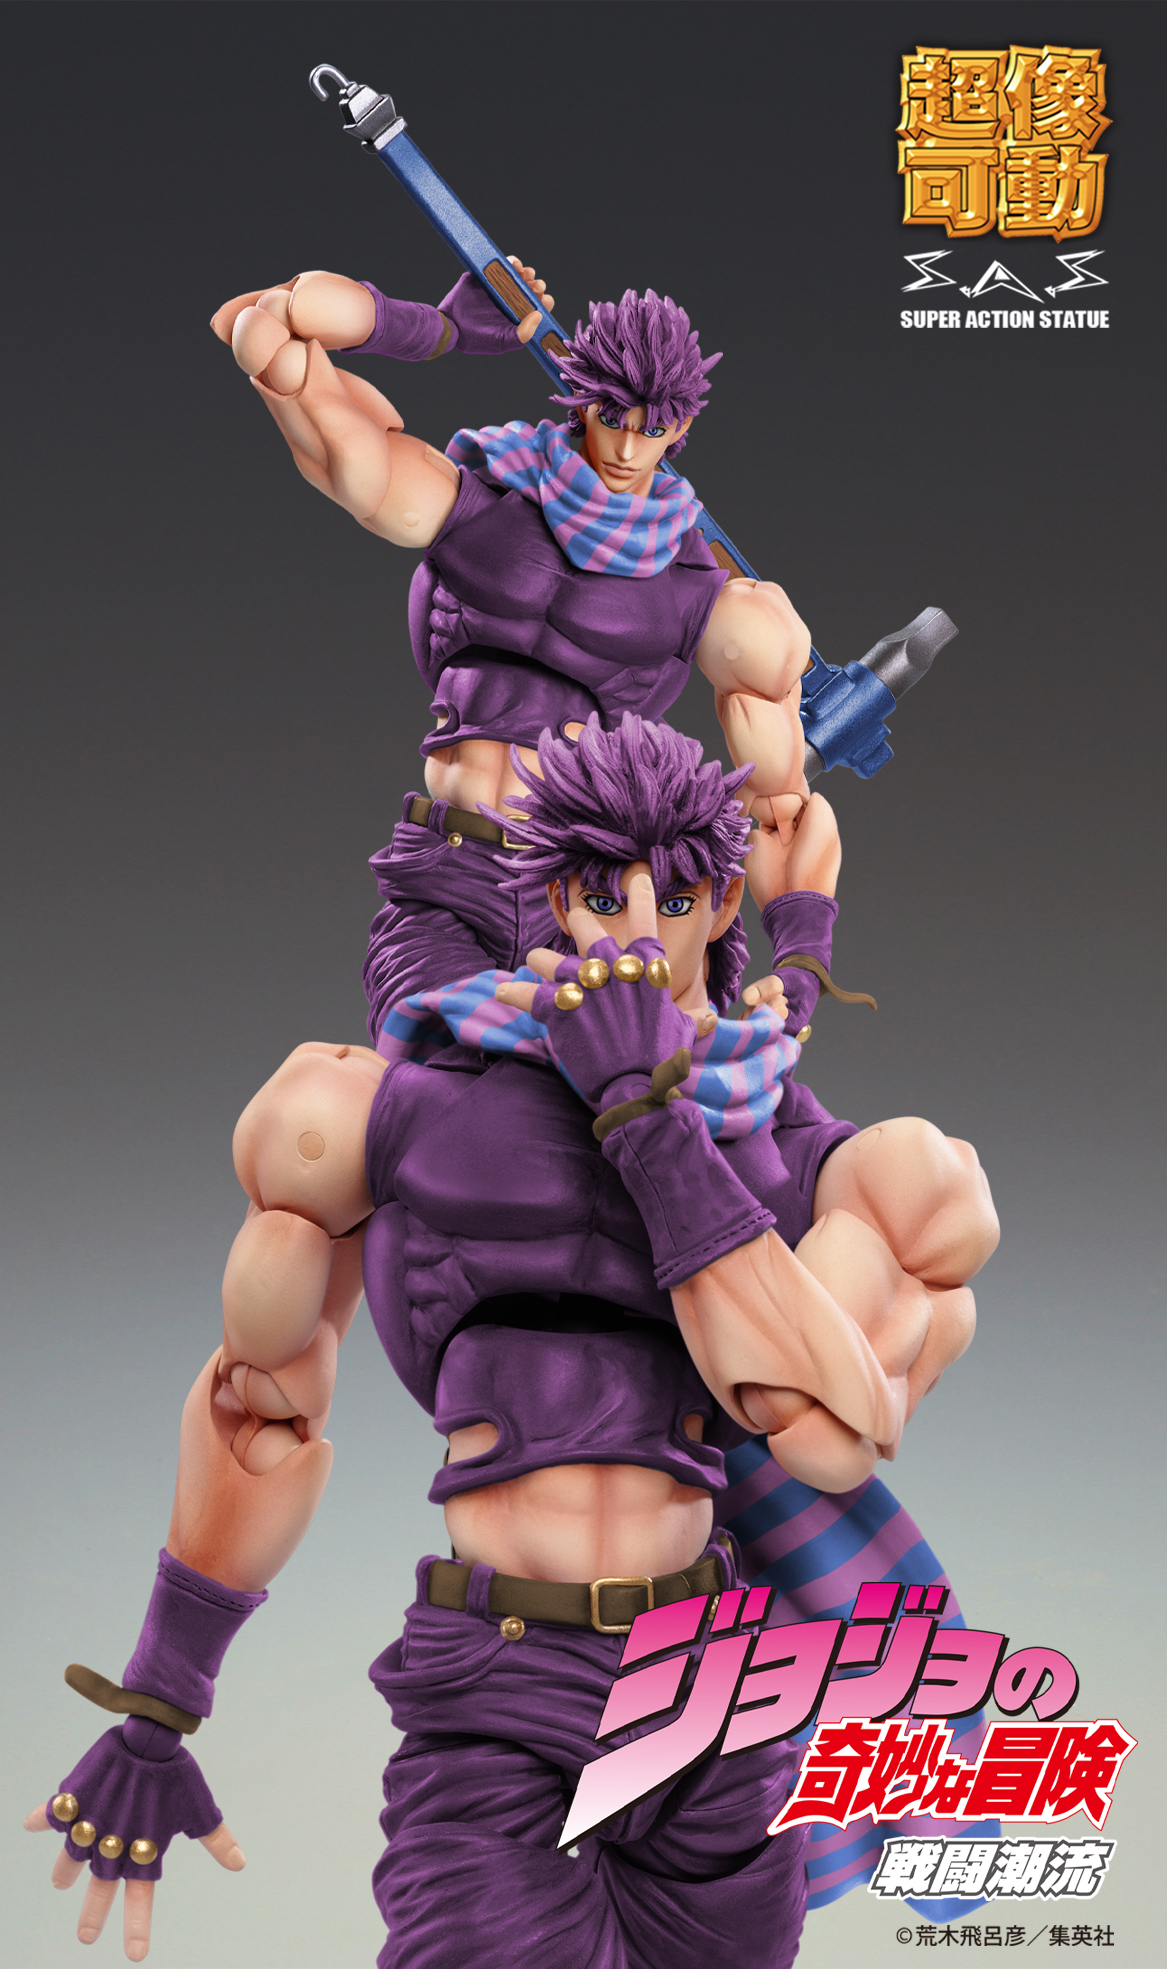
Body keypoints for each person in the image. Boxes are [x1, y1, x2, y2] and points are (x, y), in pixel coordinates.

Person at [26, 716, 998, 1964]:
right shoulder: (410, 1111)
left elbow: (829, 1432)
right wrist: (161, 1701)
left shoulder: (805, 1149)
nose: (638, 928)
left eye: (677, 896)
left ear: (722, 906)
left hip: (708, 1693)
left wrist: (648, 1116)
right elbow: (263, 1403)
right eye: (603, 893)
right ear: (552, 897)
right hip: (497, 1682)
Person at [211, 266, 812, 1028]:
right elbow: (263, 329)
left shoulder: (700, 591)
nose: (627, 447)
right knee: (429, 1056)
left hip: (581, 896)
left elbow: (779, 811)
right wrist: (435, 328)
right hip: (448, 874)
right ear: (580, 398)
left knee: (621, 1080)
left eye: (652, 428)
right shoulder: (489, 498)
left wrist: (801, 959)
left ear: (681, 428)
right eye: (611, 415)